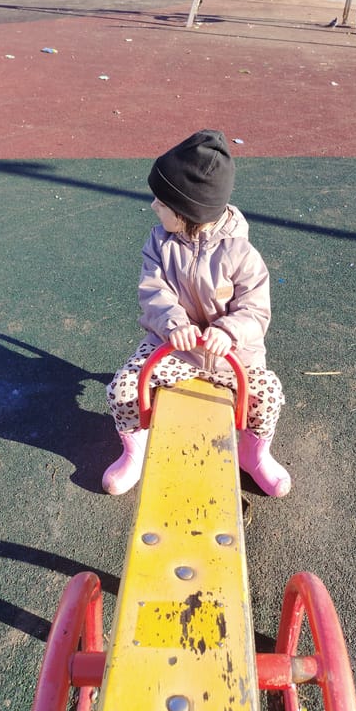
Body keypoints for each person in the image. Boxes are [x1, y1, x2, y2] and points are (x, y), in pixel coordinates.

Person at [104, 129, 290, 498]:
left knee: (267, 394)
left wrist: (228, 332)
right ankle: (135, 449)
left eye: (161, 203)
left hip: (232, 356)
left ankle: (254, 454)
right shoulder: (159, 242)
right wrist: (174, 324)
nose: (153, 208)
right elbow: (153, 291)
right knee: (124, 387)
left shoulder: (241, 253)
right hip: (175, 347)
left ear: (188, 212)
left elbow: (256, 308)